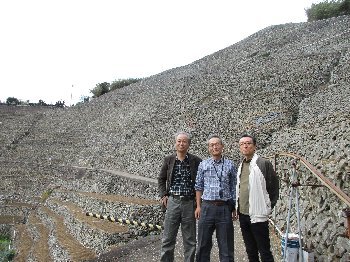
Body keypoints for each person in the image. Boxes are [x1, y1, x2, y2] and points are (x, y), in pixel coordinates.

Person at [158, 131, 202, 262]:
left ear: (188, 144)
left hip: (189, 203)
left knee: (190, 240)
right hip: (173, 202)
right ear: (175, 143)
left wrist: (199, 204)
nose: (181, 143)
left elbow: (201, 183)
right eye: (179, 141)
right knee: (168, 238)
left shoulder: (196, 161)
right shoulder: (169, 160)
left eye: (184, 141)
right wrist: (163, 195)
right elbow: (161, 179)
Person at [235, 134, 279, 262]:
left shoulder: (263, 163)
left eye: (248, 143)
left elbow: (273, 187)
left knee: (264, 250)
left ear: (254, 146)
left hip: (258, 214)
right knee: (250, 250)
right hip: (243, 214)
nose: (245, 146)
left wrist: (267, 206)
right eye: (242, 144)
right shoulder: (241, 165)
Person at [195, 134, 237, 262]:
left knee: (226, 245)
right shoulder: (203, 164)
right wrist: (198, 206)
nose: (214, 147)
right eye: (211, 145)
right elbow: (198, 186)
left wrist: (234, 207)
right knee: (203, 244)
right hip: (207, 207)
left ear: (222, 146)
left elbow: (234, 187)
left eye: (217, 144)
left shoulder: (230, 165)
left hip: (224, 208)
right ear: (209, 148)